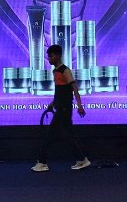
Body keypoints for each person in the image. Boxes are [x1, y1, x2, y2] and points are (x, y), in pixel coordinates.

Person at [32, 44, 91, 172]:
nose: (49, 59)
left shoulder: (65, 70)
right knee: (69, 136)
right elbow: (61, 92)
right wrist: (52, 103)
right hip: (61, 108)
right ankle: (82, 159)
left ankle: (42, 162)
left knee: (49, 135)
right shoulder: (56, 71)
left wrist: (80, 106)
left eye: (51, 56)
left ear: (58, 56)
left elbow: (74, 89)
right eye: (48, 56)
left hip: (64, 109)